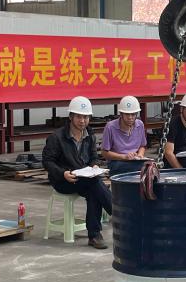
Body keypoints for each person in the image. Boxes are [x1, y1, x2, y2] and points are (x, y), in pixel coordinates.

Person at [42, 95, 112, 250]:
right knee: (95, 184)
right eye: (79, 117)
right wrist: (63, 174)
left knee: (94, 188)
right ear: (71, 117)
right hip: (63, 180)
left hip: (84, 178)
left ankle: (94, 235)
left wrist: (95, 166)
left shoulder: (90, 136)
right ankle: (118, 215)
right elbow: (47, 162)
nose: (82, 121)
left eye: (86, 117)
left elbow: (93, 157)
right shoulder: (57, 137)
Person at [101, 95, 147, 164]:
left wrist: (140, 155)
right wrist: (124, 157)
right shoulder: (110, 127)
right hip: (117, 161)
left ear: (136, 114)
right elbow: (104, 152)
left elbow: (142, 146)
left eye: (133, 114)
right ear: (121, 114)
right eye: (127, 114)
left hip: (135, 160)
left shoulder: (140, 125)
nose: (130, 117)